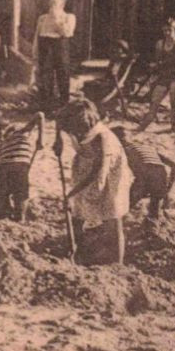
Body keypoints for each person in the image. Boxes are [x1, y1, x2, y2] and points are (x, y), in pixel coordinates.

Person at [59, 99, 131, 266]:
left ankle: (117, 263)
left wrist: (72, 193)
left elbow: (98, 173)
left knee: (111, 216)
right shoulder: (71, 123)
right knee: (78, 210)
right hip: (85, 163)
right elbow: (58, 122)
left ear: (87, 125)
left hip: (109, 171)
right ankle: (76, 249)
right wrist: (58, 141)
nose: (74, 135)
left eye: (77, 131)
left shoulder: (102, 138)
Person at [138, 18, 175, 132]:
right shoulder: (160, 44)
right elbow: (158, 60)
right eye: (165, 31)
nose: (167, 33)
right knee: (155, 99)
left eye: (170, 30)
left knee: (174, 101)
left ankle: (174, 127)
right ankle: (144, 125)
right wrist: (155, 67)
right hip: (164, 75)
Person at [115, 123, 175, 225]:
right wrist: (168, 189)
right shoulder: (147, 147)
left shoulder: (122, 150)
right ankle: (153, 230)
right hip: (161, 174)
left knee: (124, 206)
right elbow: (174, 166)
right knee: (154, 211)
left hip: (144, 174)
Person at [35, 0, 77, 106]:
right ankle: (46, 103)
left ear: (62, 5)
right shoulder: (42, 18)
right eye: (51, 3)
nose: (51, 6)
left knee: (63, 72)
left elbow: (67, 33)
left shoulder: (69, 17)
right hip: (45, 46)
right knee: (46, 74)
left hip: (60, 46)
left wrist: (57, 19)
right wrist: (35, 51)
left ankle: (63, 102)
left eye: (55, 3)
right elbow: (37, 36)